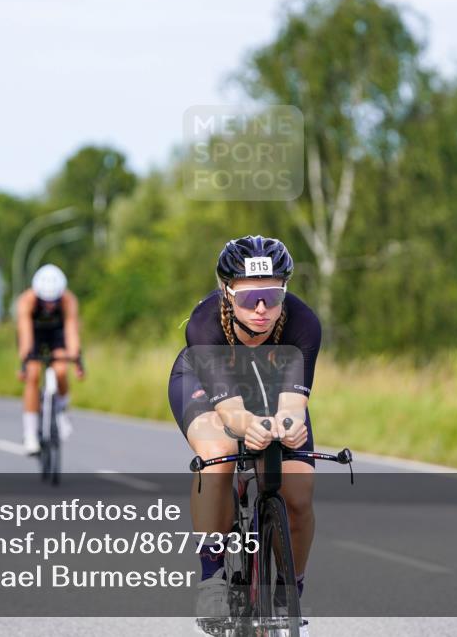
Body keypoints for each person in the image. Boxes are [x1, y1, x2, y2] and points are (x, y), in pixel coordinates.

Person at [168, 235, 321, 623]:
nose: (260, 308)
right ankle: (212, 579)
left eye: (271, 296)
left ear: (284, 290)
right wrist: (248, 427)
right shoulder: (204, 324)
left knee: (299, 494)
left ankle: (291, 587)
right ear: (226, 291)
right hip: (208, 387)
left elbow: (293, 406)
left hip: (270, 390)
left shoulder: (303, 325)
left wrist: (289, 427)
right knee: (218, 456)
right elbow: (233, 414)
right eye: (247, 297)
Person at [15, 264, 84, 454]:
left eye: (54, 301)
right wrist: (25, 359)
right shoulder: (27, 300)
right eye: (46, 301)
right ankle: (30, 434)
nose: (50, 305)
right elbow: (25, 334)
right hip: (34, 334)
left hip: (57, 334)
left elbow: (71, 331)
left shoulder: (68, 300)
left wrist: (75, 356)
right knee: (33, 374)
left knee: (61, 370)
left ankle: (61, 411)